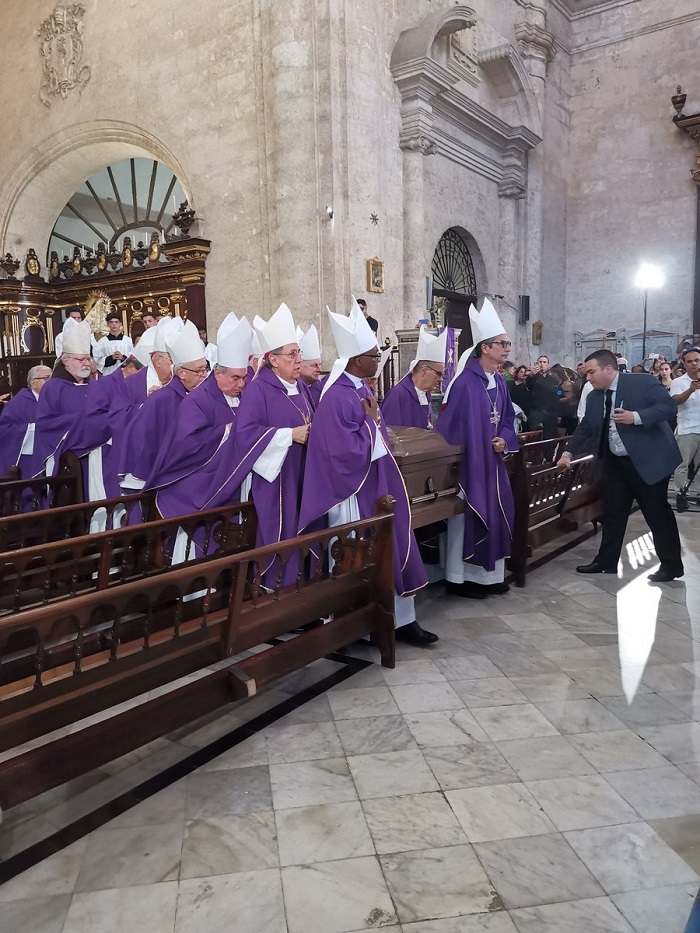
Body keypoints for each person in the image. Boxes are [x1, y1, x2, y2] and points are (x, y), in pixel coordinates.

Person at [299, 300, 434, 646]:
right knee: (365, 554)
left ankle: (400, 619)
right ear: (357, 360)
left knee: (392, 547)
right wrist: (373, 425)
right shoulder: (337, 397)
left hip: (376, 486)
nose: (379, 361)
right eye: (375, 356)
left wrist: (375, 427)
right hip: (352, 494)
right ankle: (361, 622)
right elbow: (341, 454)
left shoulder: (359, 389)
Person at [557, 348, 683, 582]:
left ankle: (671, 565)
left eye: (591, 372)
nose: (588, 378)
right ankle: (606, 562)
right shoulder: (594, 396)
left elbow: (668, 408)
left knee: (656, 513)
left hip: (648, 460)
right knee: (613, 512)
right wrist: (567, 452)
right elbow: (585, 428)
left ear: (608, 369)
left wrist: (635, 417)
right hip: (615, 463)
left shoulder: (641, 383)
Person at [436, 299, 518, 598]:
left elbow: (507, 419)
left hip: (492, 462)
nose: (507, 347)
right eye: (502, 343)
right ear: (485, 347)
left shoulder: (500, 380)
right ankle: (460, 579)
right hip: (470, 465)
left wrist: (504, 439)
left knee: (496, 512)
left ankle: (490, 577)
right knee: (467, 516)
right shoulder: (464, 384)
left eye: (507, 343)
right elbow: (447, 427)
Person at [148, 314, 252, 498]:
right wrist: (225, 431)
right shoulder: (197, 400)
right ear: (218, 374)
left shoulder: (245, 395)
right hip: (202, 479)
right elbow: (186, 445)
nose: (241, 384)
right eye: (235, 378)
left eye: (244, 377)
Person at [119, 320, 206, 492]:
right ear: (181, 373)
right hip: (164, 479)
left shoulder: (203, 395)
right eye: (199, 371)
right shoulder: (161, 399)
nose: (204, 376)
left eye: (205, 369)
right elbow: (143, 439)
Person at [32, 318, 93, 476]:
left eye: (88, 358)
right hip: (68, 458)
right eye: (81, 359)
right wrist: (85, 421)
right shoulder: (53, 387)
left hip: (99, 457)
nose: (86, 363)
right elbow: (45, 424)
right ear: (66, 361)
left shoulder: (96, 386)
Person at [380, 326, 447, 429]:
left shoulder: (425, 394)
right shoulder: (397, 396)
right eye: (438, 374)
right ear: (424, 370)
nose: (441, 379)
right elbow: (390, 434)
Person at [0, 365, 51, 477]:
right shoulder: (18, 403)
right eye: (47, 378)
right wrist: (30, 429)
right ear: (33, 383)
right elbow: (4, 429)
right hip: (28, 457)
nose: (51, 382)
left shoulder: (53, 399)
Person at [671, 347, 700, 507]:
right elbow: (675, 400)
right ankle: (681, 493)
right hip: (687, 428)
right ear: (684, 363)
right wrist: (691, 389)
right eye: (690, 361)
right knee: (682, 464)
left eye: (697, 360)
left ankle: (698, 493)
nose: (694, 364)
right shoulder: (678, 382)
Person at [527, 354, 560, 439]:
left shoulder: (553, 379)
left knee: (550, 437)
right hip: (536, 411)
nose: (541, 364)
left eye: (544, 362)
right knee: (536, 437)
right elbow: (529, 386)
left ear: (548, 365)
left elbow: (558, 394)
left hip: (549, 412)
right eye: (540, 362)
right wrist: (531, 375)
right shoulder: (533, 377)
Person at [297, 325, 323, 409]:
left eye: (319, 365)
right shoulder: (292, 389)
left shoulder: (321, 388)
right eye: (314, 365)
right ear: (299, 365)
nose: (320, 370)